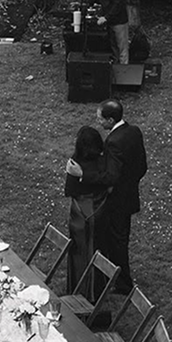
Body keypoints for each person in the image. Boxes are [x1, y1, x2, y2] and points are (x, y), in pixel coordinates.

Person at [66, 98, 147, 294]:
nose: (99, 122)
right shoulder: (134, 131)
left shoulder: (113, 142)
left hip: (117, 202)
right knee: (119, 240)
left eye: (101, 119)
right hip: (129, 196)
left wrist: (82, 175)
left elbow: (111, 176)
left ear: (111, 120)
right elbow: (141, 166)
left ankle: (122, 283)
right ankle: (114, 277)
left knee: (117, 242)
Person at [64, 125, 109, 293]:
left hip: (80, 214)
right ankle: (97, 286)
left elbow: (69, 191)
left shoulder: (75, 163)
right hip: (100, 212)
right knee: (99, 247)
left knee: (78, 251)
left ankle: (78, 286)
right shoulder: (103, 163)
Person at [91, 0, 130, 65]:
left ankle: (124, 68)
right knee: (114, 46)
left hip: (119, 22)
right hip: (110, 22)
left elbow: (117, 6)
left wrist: (105, 18)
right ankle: (116, 66)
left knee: (122, 47)